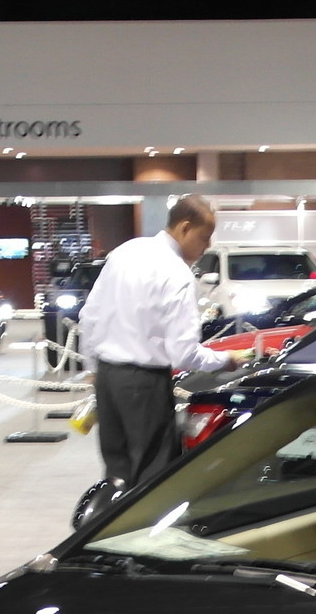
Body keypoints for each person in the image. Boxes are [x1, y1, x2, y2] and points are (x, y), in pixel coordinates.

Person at [76, 195, 249, 492]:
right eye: (204, 237)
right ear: (184, 228)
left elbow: (89, 316)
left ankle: (107, 530)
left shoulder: (126, 252)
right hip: (144, 384)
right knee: (152, 476)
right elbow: (183, 353)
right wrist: (226, 359)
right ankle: (142, 537)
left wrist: (93, 370)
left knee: (116, 473)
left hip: (108, 378)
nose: (206, 246)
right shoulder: (176, 273)